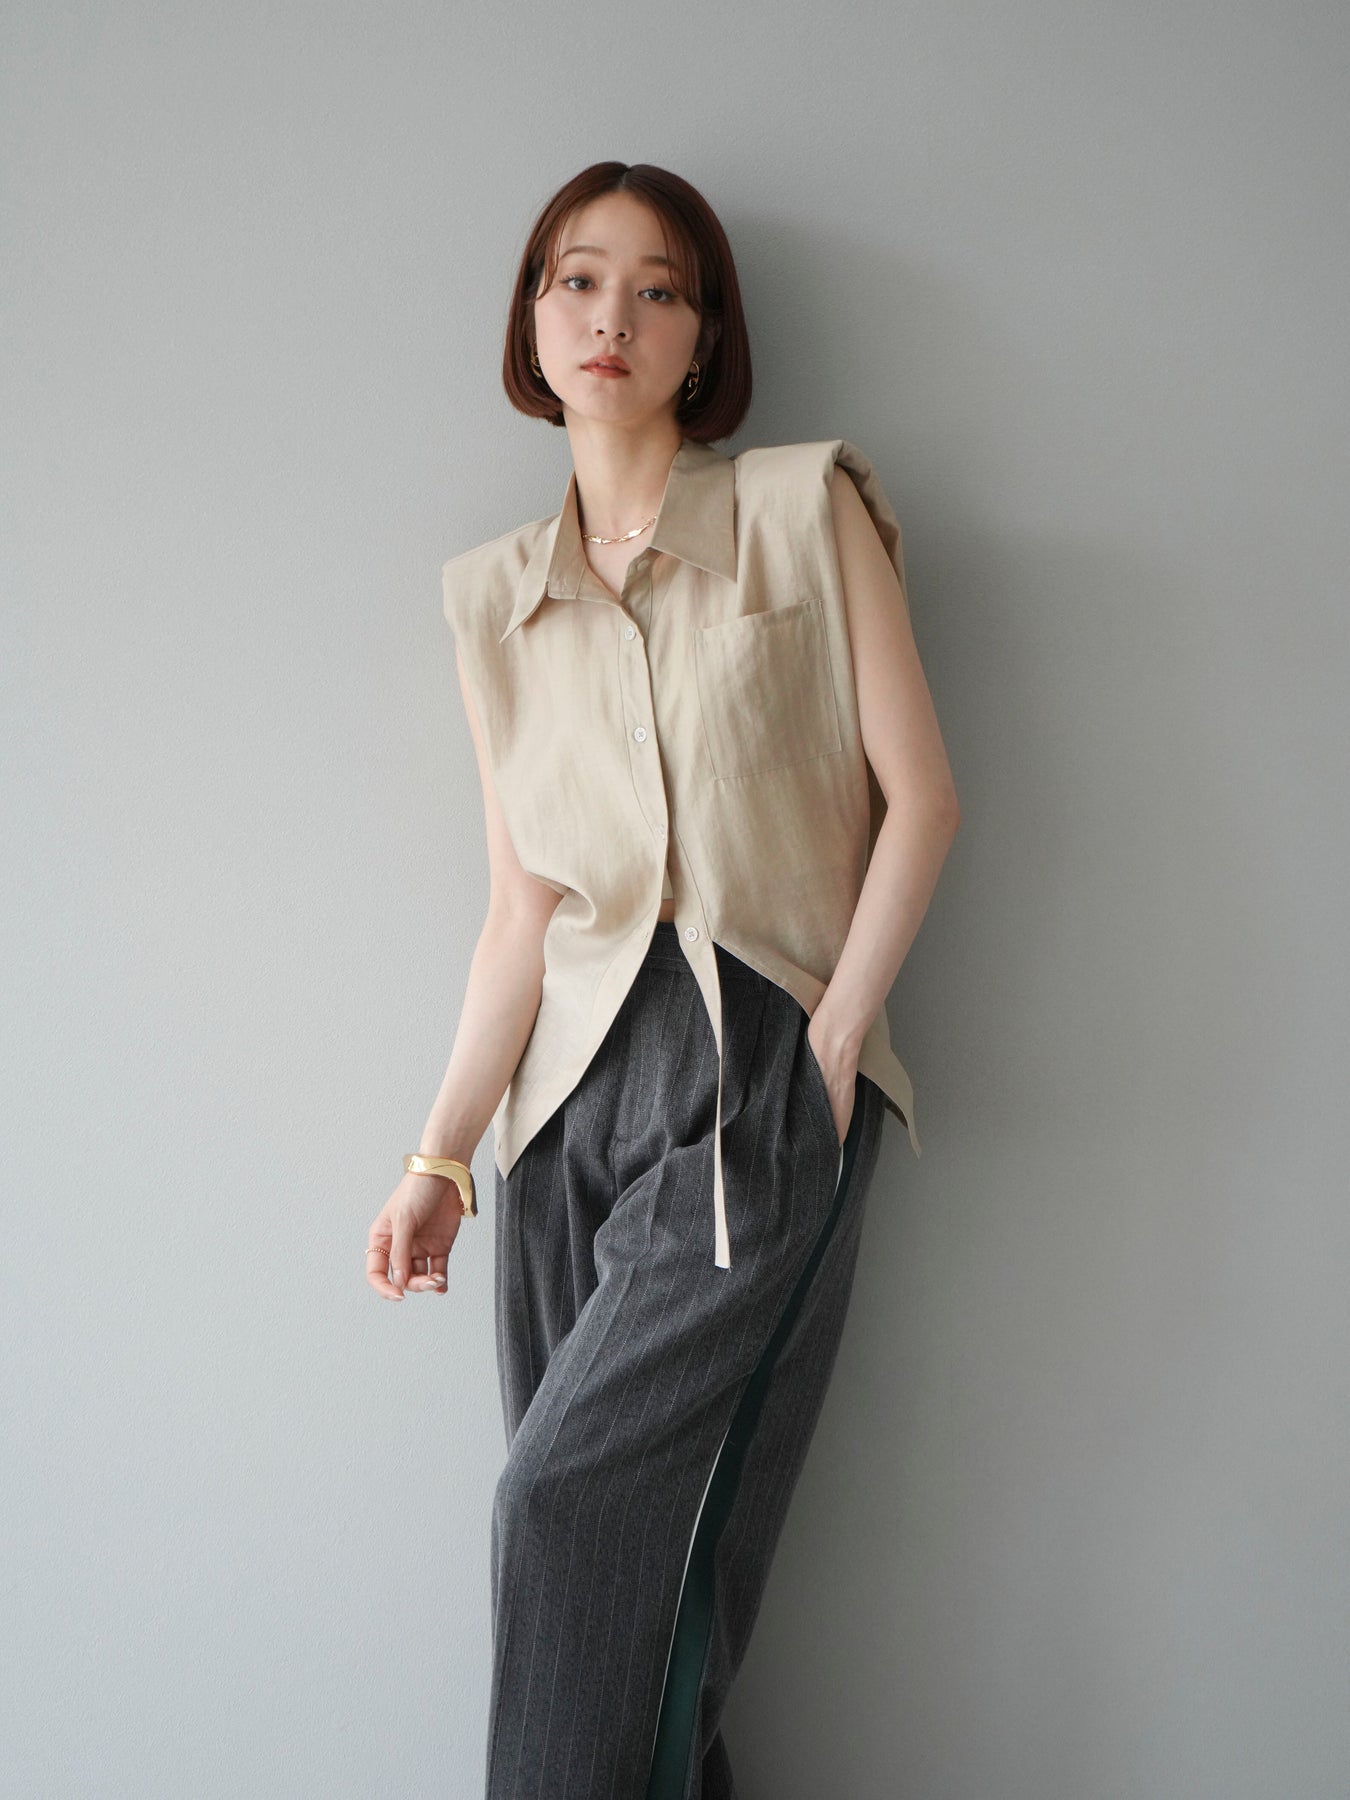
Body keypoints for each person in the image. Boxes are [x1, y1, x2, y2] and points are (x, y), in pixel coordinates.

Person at [364, 161, 960, 1800]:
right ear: (530, 321)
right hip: (560, 1107)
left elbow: (922, 801)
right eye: (574, 279)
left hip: (757, 1060)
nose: (609, 316)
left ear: (703, 337)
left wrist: (828, 1050)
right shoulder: (492, 599)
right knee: (629, 1592)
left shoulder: (801, 508)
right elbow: (519, 911)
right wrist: (437, 1157)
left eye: (656, 288)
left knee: (563, 1513)